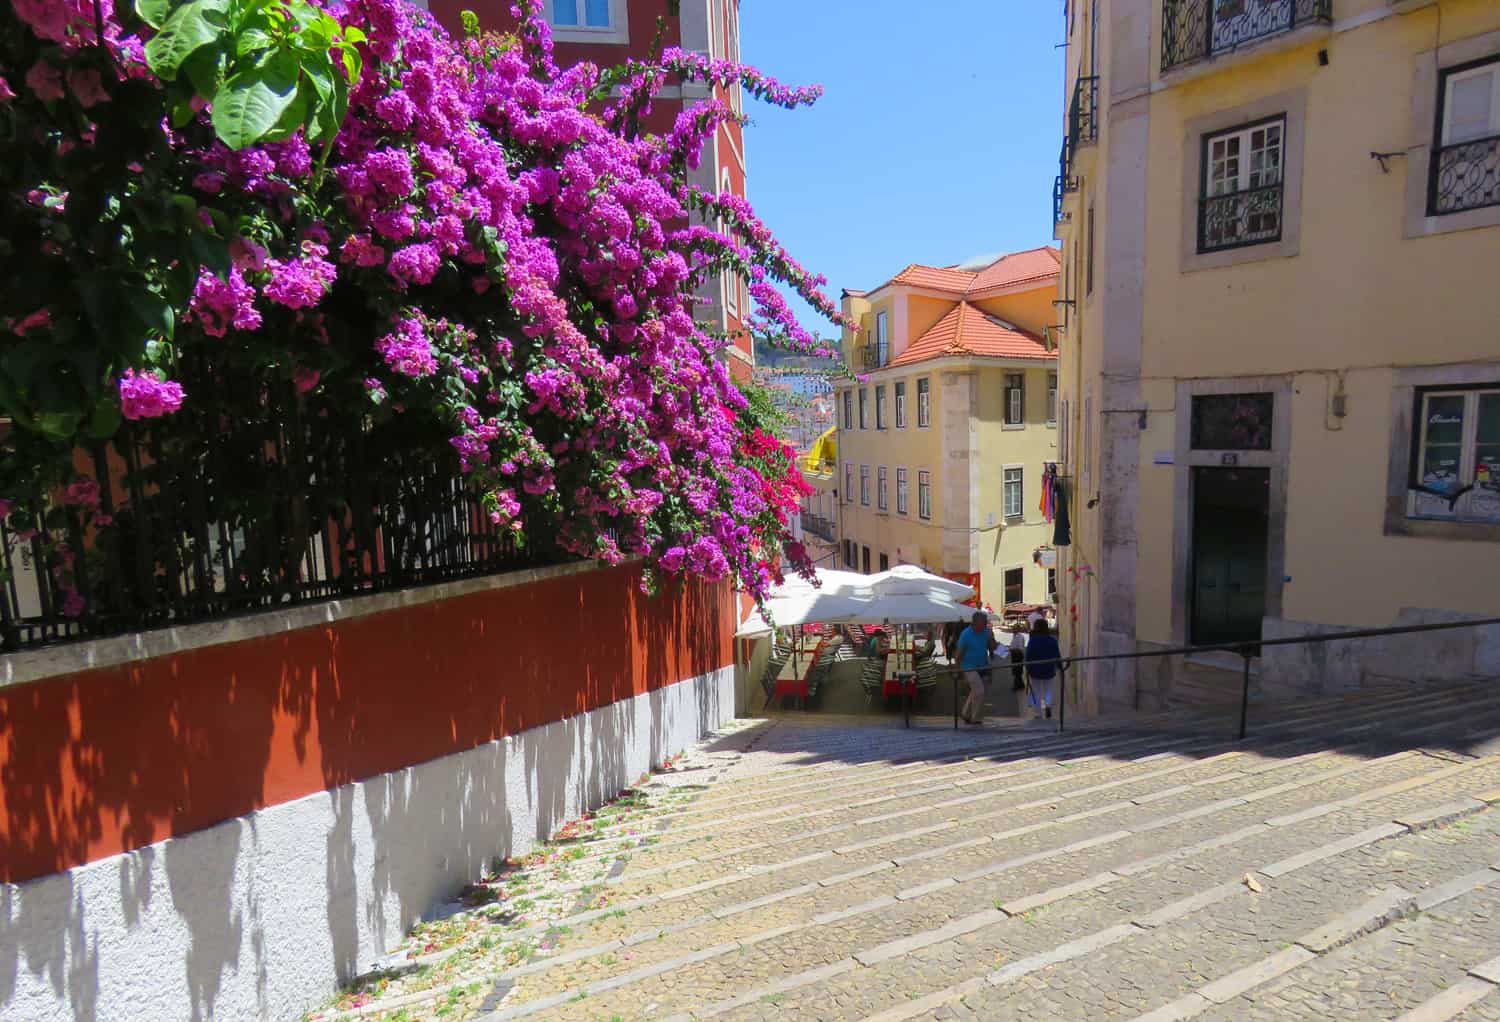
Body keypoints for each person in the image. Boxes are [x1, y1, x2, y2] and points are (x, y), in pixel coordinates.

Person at [954, 611, 996, 725]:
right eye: (984, 623)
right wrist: (958, 671)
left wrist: (992, 638)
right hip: (968, 666)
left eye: (985, 623)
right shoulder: (966, 634)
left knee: (976, 691)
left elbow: (992, 648)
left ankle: (965, 712)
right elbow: (958, 655)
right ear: (976, 623)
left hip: (983, 665)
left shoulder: (986, 632)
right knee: (980, 691)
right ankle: (975, 718)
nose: (985, 625)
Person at [1026, 619, 1063, 719]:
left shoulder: (1033, 640)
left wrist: (1027, 667)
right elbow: (1057, 654)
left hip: (1035, 670)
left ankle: (1038, 713)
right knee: (1048, 690)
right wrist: (1060, 667)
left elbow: (1028, 655)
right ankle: (1048, 706)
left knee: (1036, 691)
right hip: (1049, 669)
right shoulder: (1052, 640)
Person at [1008, 625, 1028, 692]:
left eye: (1014, 629)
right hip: (1014, 655)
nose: (1013, 630)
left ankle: (1017, 686)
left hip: (1018, 655)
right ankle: (1021, 685)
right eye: (1013, 629)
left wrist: (1011, 650)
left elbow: (1020, 649)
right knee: (1016, 671)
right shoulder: (1015, 636)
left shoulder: (1019, 637)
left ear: (1018, 629)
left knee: (1017, 671)